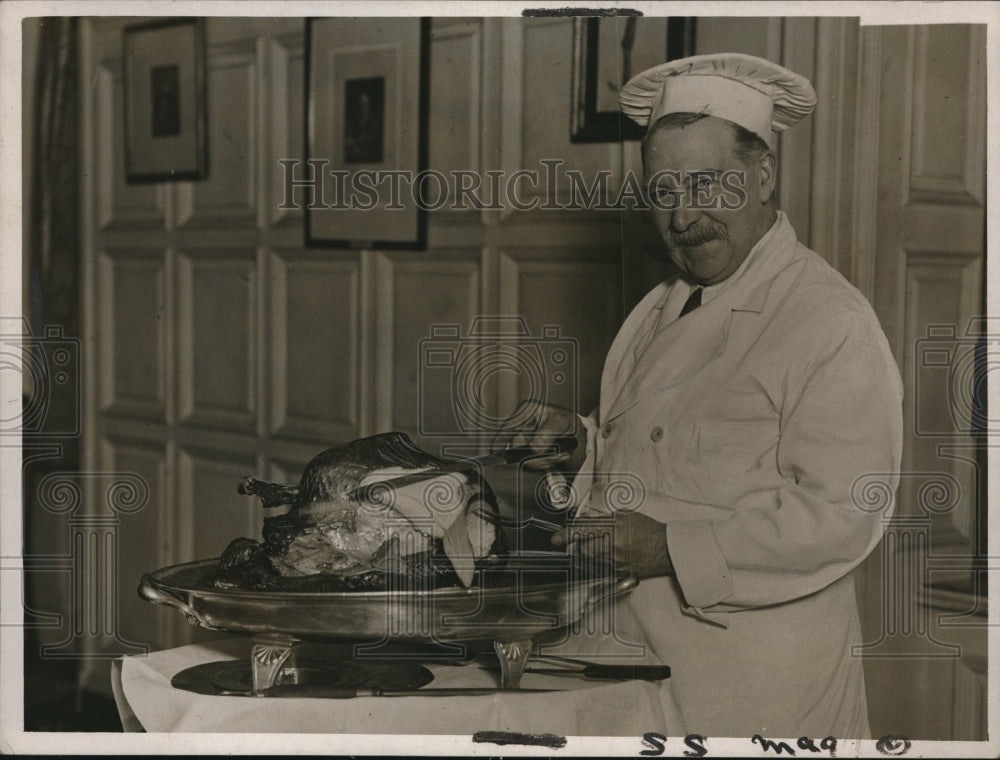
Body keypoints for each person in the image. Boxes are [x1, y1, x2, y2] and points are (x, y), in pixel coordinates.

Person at [497, 53, 903, 738]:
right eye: (663, 191)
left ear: (764, 176)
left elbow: (844, 511)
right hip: (632, 654)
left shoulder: (828, 318)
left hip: (753, 680)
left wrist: (666, 548)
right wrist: (581, 444)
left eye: (707, 183)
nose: (683, 215)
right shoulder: (664, 304)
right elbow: (661, 456)